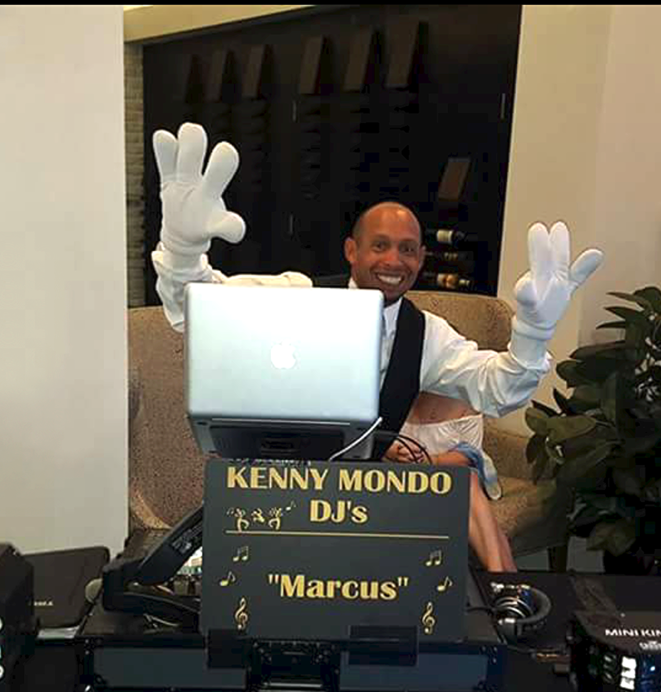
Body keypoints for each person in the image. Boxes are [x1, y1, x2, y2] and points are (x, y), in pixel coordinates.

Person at [150, 122, 603, 567]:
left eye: (407, 249)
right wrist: (182, 249)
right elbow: (198, 306)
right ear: (352, 250)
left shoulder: (426, 333)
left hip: (364, 505)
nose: (393, 260)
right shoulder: (300, 293)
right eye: (380, 245)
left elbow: (498, 388)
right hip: (273, 490)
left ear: (421, 259)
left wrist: (533, 333)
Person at [386, 392, 516, 572]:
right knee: (467, 485)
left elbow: (469, 456)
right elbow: (373, 439)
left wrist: (432, 461)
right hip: (402, 480)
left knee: (466, 480)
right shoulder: (396, 395)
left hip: (451, 479)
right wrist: (392, 451)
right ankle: (504, 576)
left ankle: (497, 572)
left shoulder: (469, 402)